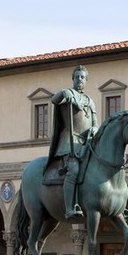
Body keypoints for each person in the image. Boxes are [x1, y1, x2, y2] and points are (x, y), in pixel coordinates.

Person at [47, 65, 99, 219]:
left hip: (87, 142)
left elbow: (95, 123)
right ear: (73, 79)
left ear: (86, 80)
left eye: (82, 77)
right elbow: (53, 100)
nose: (79, 80)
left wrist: (94, 129)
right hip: (69, 141)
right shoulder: (68, 94)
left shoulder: (90, 101)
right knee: (74, 170)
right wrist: (63, 93)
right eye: (77, 77)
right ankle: (70, 208)